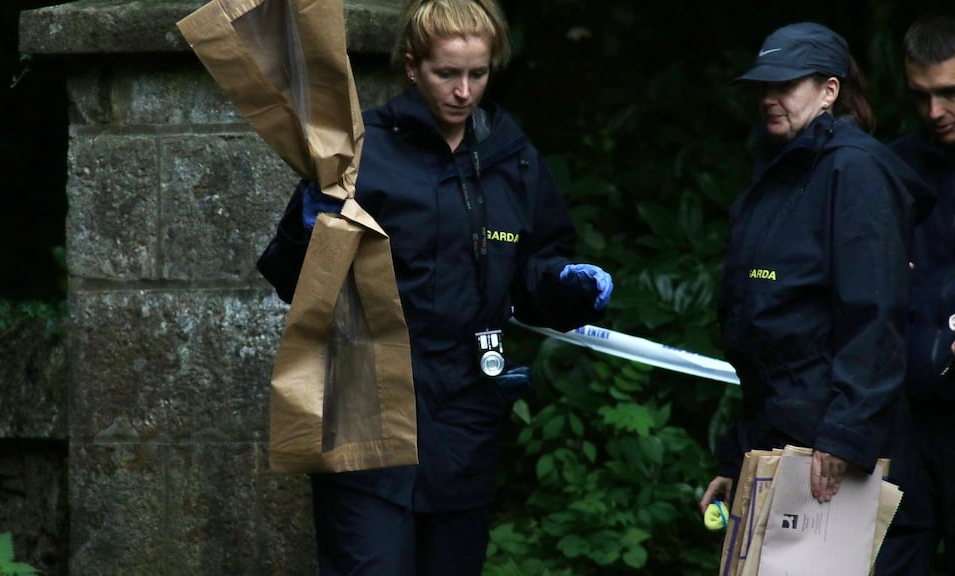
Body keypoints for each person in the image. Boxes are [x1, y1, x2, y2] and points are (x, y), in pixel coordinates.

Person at [257, 0, 613, 574]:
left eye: (479, 74)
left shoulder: (511, 158)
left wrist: (567, 287)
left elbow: (533, 273)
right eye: (447, 73)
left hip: (465, 415)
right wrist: (307, 224)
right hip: (364, 412)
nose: (464, 92)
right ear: (412, 67)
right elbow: (290, 279)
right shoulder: (359, 148)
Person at [699, 21, 925, 521]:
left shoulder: (855, 170)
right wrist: (736, 457)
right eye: (764, 85)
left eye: (786, 84)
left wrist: (845, 433)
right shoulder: (778, 169)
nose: (769, 98)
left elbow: (874, 313)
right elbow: (764, 328)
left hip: (830, 449)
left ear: (829, 92)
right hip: (778, 434)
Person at [873, 12, 955, 575]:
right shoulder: (892, 167)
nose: (935, 112)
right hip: (901, 421)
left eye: (950, 93)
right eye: (921, 96)